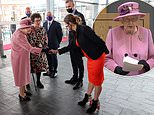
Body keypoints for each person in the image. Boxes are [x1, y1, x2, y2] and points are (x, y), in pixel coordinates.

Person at [52, 14, 109, 113]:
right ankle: (87, 96)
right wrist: (57, 51)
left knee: (97, 81)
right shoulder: (75, 33)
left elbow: (98, 40)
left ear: (70, 23)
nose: (66, 27)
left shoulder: (84, 29)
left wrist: (107, 53)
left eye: (66, 25)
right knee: (91, 78)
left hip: (98, 57)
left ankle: (95, 102)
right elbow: (71, 46)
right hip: (90, 58)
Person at [105, 2, 154, 76]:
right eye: (127, 19)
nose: (130, 22)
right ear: (121, 20)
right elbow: (106, 58)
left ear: (138, 19)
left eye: (134, 19)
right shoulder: (112, 33)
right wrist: (115, 68)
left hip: (140, 77)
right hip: (119, 77)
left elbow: (153, 57)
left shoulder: (146, 33)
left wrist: (148, 64)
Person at [11, 18, 49, 101]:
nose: (30, 29)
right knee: (21, 76)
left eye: (30, 27)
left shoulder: (22, 33)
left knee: (24, 74)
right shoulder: (19, 36)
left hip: (23, 57)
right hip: (19, 59)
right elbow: (29, 48)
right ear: (22, 27)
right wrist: (42, 50)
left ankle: (24, 90)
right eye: (27, 27)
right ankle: (21, 95)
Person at [58, 15, 84, 90]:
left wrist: (59, 51)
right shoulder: (71, 31)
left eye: (67, 25)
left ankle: (80, 81)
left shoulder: (79, 30)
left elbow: (73, 45)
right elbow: (70, 44)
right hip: (72, 51)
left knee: (80, 66)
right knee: (74, 65)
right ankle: (75, 78)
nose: (67, 27)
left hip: (79, 51)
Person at [64, 0, 86, 90]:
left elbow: (83, 28)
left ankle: (80, 81)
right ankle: (74, 77)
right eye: (66, 7)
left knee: (79, 63)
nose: (68, 8)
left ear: (73, 5)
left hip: (78, 44)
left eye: (69, 6)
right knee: (73, 62)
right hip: (71, 44)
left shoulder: (80, 15)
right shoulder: (68, 16)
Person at [28, 13, 48, 88]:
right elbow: (27, 41)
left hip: (41, 52)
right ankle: (27, 83)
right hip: (32, 52)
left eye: (39, 20)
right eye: (36, 21)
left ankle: (38, 81)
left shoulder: (43, 29)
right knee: (30, 68)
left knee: (39, 68)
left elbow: (46, 39)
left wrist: (45, 47)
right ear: (33, 21)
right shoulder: (30, 30)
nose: (38, 22)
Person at [43, 11, 63, 78]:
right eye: (47, 16)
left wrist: (57, 43)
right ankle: (50, 70)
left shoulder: (57, 24)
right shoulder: (44, 24)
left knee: (54, 58)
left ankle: (55, 71)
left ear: (53, 16)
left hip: (54, 45)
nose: (48, 17)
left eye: (50, 16)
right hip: (47, 45)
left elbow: (60, 35)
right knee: (48, 58)